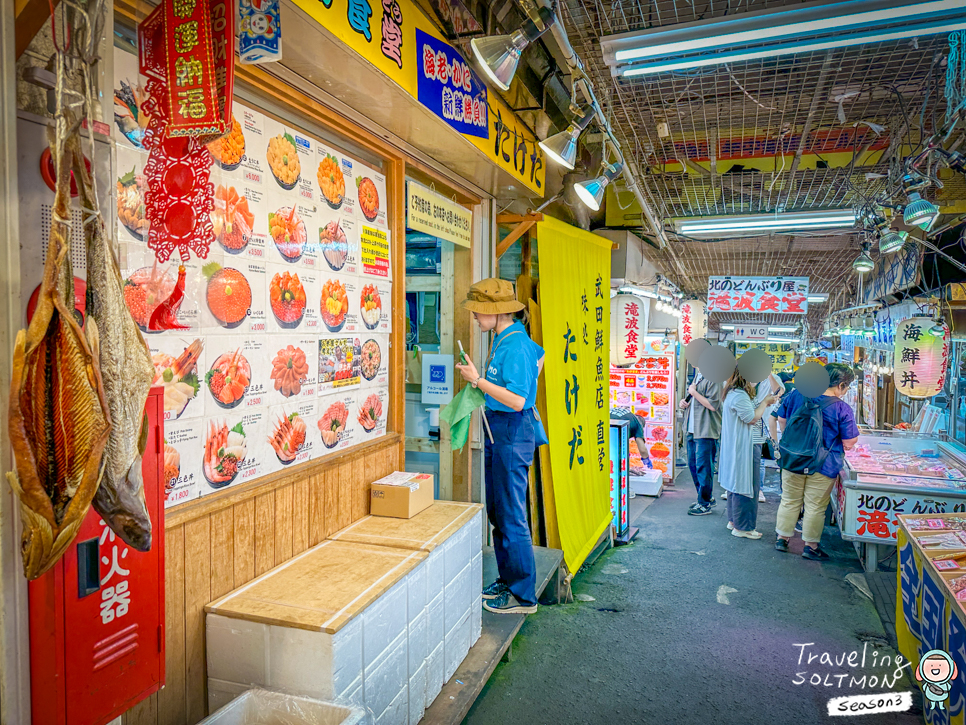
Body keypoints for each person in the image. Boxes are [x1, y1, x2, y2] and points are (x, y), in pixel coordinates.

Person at [455, 278, 544, 615]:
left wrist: (478, 381)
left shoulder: (515, 345)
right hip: (501, 430)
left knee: (510, 514)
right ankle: (509, 580)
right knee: (499, 510)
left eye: (479, 312)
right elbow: (542, 356)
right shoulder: (506, 337)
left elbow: (519, 400)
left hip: (511, 430)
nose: (476, 317)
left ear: (496, 312)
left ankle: (523, 595)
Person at [774, 363, 859, 560]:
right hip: (824, 465)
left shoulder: (797, 394)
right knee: (815, 506)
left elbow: (781, 419)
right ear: (841, 385)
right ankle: (811, 547)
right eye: (846, 388)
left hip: (793, 459)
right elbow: (849, 441)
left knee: (789, 500)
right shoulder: (842, 408)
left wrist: (794, 441)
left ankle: (782, 539)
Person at [718, 368, 781, 539]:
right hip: (746, 445)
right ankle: (743, 527)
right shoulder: (739, 395)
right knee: (747, 487)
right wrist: (764, 403)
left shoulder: (734, 393)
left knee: (736, 484)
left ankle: (734, 521)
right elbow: (752, 417)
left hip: (741, 445)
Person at [684, 372, 721, 516]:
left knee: (704, 467)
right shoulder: (698, 376)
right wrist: (685, 402)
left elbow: (713, 405)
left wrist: (693, 392)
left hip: (705, 430)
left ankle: (704, 502)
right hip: (692, 429)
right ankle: (705, 498)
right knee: (693, 465)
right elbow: (696, 402)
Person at [752, 373, 783, 504]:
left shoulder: (772, 378)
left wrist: (769, 374)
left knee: (759, 460)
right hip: (744, 420)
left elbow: (779, 391)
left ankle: (759, 489)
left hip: (761, 422)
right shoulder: (743, 376)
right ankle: (735, 487)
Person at [611, 407, 648, 474]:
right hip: (613, 429)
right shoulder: (638, 423)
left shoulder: (629, 416)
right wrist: (646, 459)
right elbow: (642, 449)